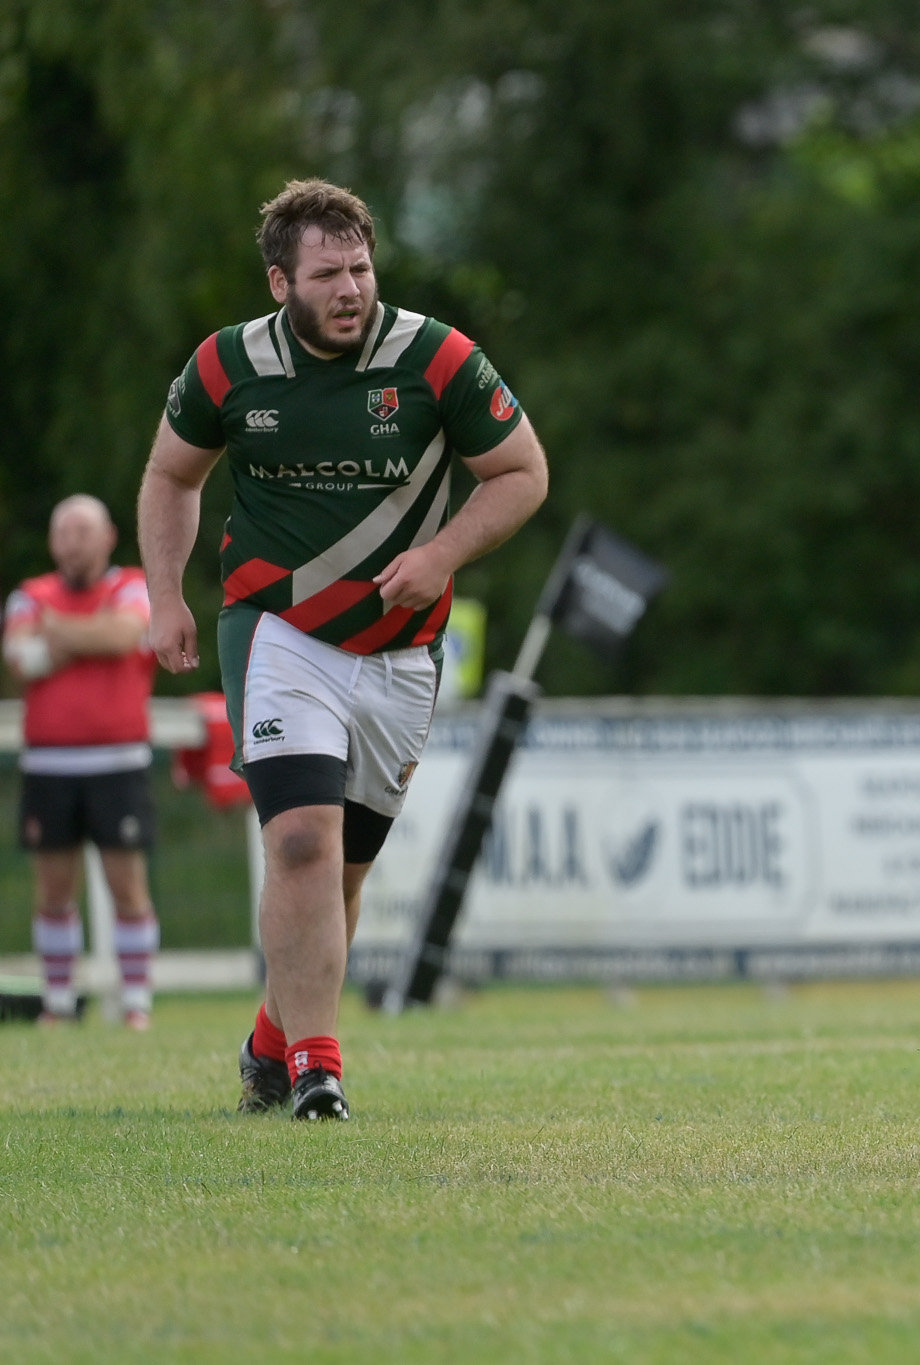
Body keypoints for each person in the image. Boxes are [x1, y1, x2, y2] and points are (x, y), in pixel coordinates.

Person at [138, 179, 548, 1120]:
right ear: (282, 282)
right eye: (327, 274)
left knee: (345, 873)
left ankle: (271, 1042)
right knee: (298, 840)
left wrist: (440, 554)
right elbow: (171, 474)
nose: (351, 288)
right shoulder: (227, 364)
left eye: (360, 268)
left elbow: (524, 472)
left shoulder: (437, 356)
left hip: (403, 651)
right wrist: (166, 597)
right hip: (277, 629)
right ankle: (320, 1069)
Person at [4, 496, 162, 1028]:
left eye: (83, 531)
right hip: (49, 764)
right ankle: (57, 1003)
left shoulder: (134, 585)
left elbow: (124, 635)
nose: (73, 542)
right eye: (64, 531)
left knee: (128, 887)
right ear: (52, 542)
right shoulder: (29, 595)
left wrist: (60, 634)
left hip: (118, 761)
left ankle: (136, 1003)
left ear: (108, 536)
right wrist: (94, 635)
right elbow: (20, 657)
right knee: (53, 890)